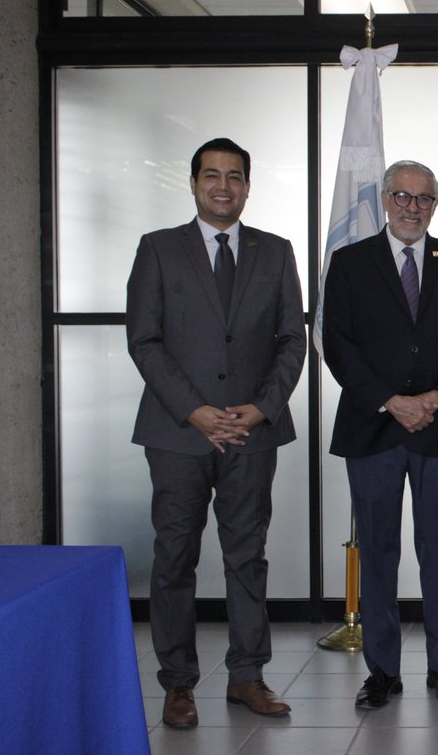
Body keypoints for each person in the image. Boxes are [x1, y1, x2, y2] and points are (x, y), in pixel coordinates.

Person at [127, 137, 306, 728]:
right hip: (179, 433)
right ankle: (178, 683)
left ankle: (247, 675)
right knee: (174, 556)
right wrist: (196, 411)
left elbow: (291, 340)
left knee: (246, 556)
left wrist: (261, 407)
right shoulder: (158, 250)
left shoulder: (276, 253)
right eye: (211, 175)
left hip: (252, 432)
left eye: (234, 176)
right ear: (194, 182)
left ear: (249, 186)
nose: (223, 186)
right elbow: (144, 341)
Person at [322, 160, 438, 710]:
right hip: (373, 427)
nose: (413, 207)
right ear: (386, 200)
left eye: (425, 198)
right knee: (378, 552)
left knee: (437, 550)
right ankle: (382, 671)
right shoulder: (348, 262)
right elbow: (338, 342)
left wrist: (434, 400)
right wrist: (391, 401)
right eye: (402, 196)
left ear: (435, 204)